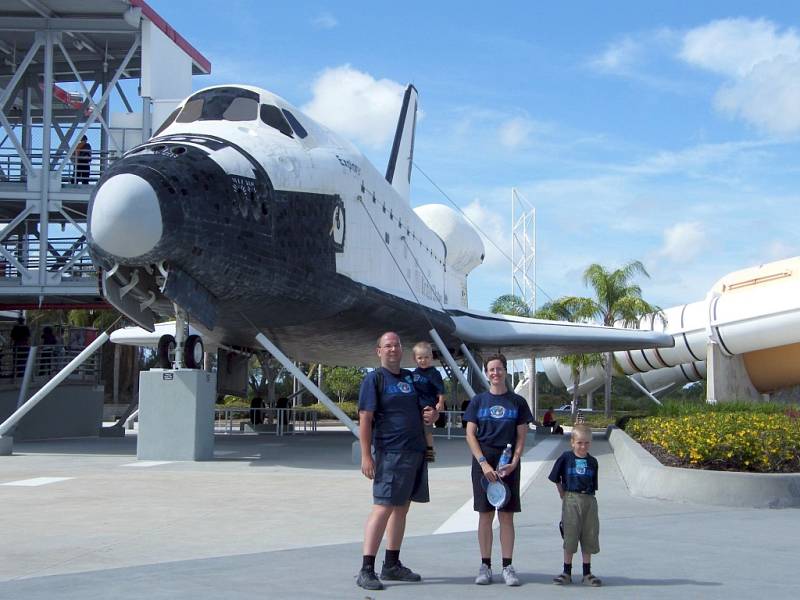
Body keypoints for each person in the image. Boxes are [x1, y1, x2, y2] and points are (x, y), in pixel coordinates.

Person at [356, 331, 438, 591]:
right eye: (388, 345)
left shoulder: (412, 378)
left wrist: (433, 413)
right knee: (383, 507)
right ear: (379, 351)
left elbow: (427, 410)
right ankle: (366, 569)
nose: (393, 349)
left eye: (397, 345)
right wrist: (366, 455)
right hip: (390, 453)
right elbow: (365, 419)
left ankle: (391, 564)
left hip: (415, 452)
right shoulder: (374, 379)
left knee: (402, 508)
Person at [464, 353, 533, 586]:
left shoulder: (518, 402)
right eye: (491, 369)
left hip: (507, 465)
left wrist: (514, 461)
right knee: (485, 516)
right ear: (486, 373)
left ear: (505, 371)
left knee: (506, 516)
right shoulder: (478, 401)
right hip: (484, 463)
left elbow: (522, 435)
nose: (495, 373)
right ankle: (485, 566)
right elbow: (470, 434)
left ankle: (507, 566)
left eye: (499, 369)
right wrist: (483, 463)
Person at [548, 423, 602, 587]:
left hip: (589, 500)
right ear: (572, 442)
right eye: (579, 442)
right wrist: (562, 493)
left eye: (586, 443)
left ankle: (587, 573)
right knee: (570, 534)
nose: (583, 446)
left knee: (589, 535)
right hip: (571, 498)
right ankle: (567, 572)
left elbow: (594, 485)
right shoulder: (566, 458)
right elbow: (555, 477)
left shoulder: (593, 461)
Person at [411, 341, 446, 462]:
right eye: (420, 358)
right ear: (415, 359)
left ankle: (430, 450)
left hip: (427, 407)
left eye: (426, 357)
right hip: (415, 406)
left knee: (427, 430)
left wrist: (440, 402)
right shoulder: (414, 373)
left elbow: (440, 389)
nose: (423, 360)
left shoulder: (434, 373)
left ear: (431, 357)